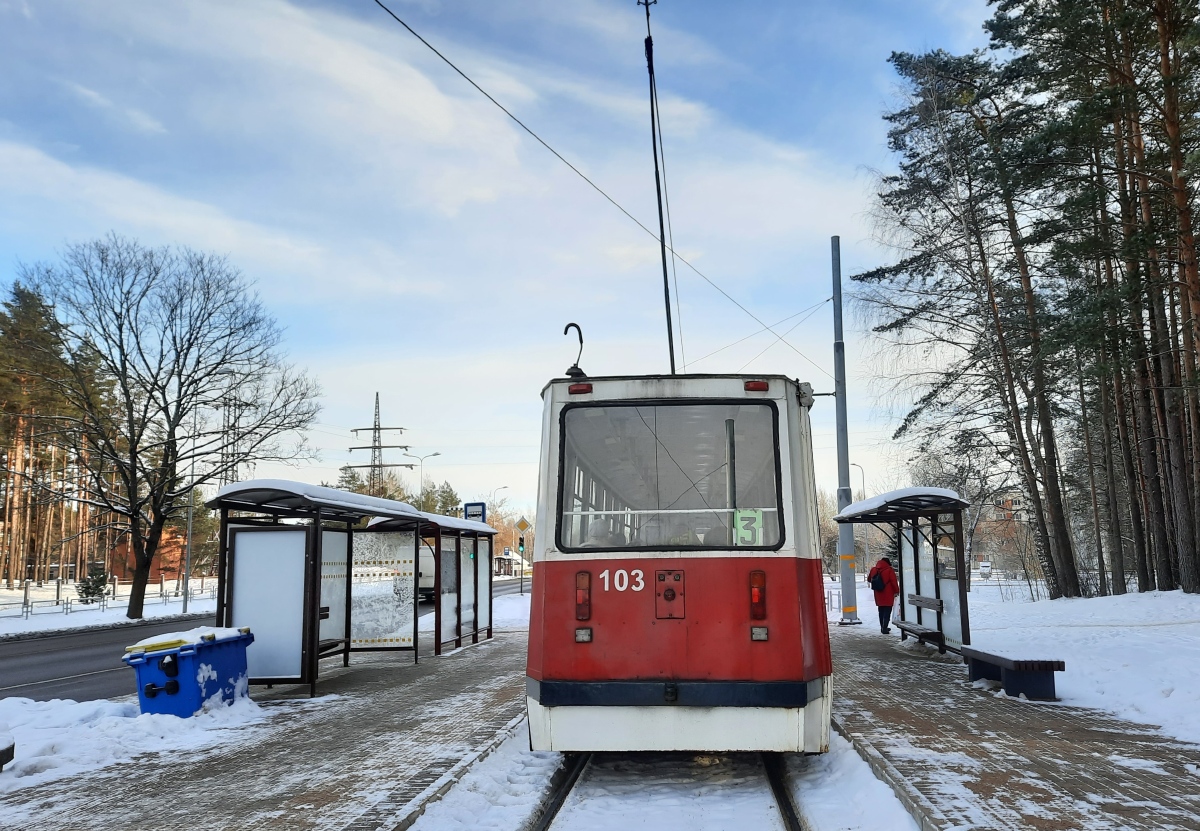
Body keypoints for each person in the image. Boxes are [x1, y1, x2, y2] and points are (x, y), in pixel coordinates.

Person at [866, 557, 899, 634]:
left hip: (878, 593)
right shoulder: (889, 570)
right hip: (888, 592)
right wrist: (897, 591)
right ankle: (885, 627)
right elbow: (894, 582)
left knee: (881, 610)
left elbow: (869, 579)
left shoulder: (874, 569)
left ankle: (882, 627)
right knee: (887, 610)